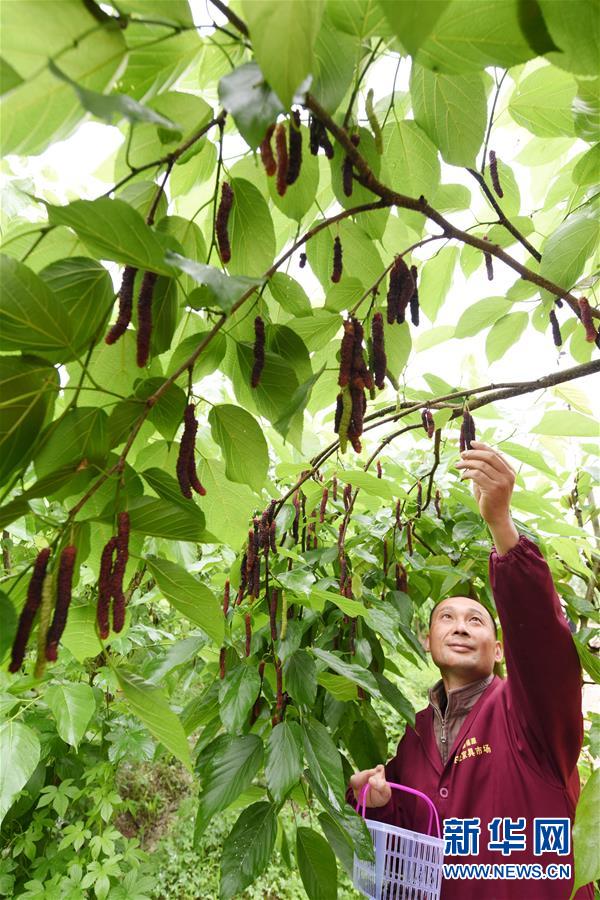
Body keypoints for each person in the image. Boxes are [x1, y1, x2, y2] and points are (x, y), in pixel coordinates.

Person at [346, 441, 592, 899]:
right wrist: (377, 804)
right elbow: (411, 845)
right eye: (446, 617)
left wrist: (501, 524)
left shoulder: (527, 712)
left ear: (499, 649)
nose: (460, 626)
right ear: (427, 641)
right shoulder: (415, 737)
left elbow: (542, 645)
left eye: (476, 620)